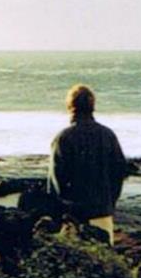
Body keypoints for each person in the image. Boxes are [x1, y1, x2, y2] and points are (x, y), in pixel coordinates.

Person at [47, 84, 127, 245]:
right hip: (102, 210)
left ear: (70, 106)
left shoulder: (64, 138)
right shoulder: (107, 135)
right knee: (104, 259)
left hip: (73, 214)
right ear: (92, 106)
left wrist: (59, 212)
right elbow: (120, 172)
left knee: (78, 261)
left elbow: (56, 181)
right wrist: (110, 202)